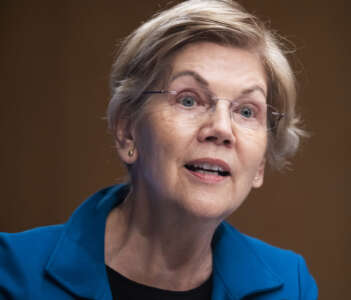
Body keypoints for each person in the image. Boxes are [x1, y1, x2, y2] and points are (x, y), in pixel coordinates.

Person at [0, 0, 318, 299]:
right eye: (189, 100)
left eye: (247, 111)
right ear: (127, 131)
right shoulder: (12, 273)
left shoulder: (291, 286)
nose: (222, 129)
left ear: (261, 161)